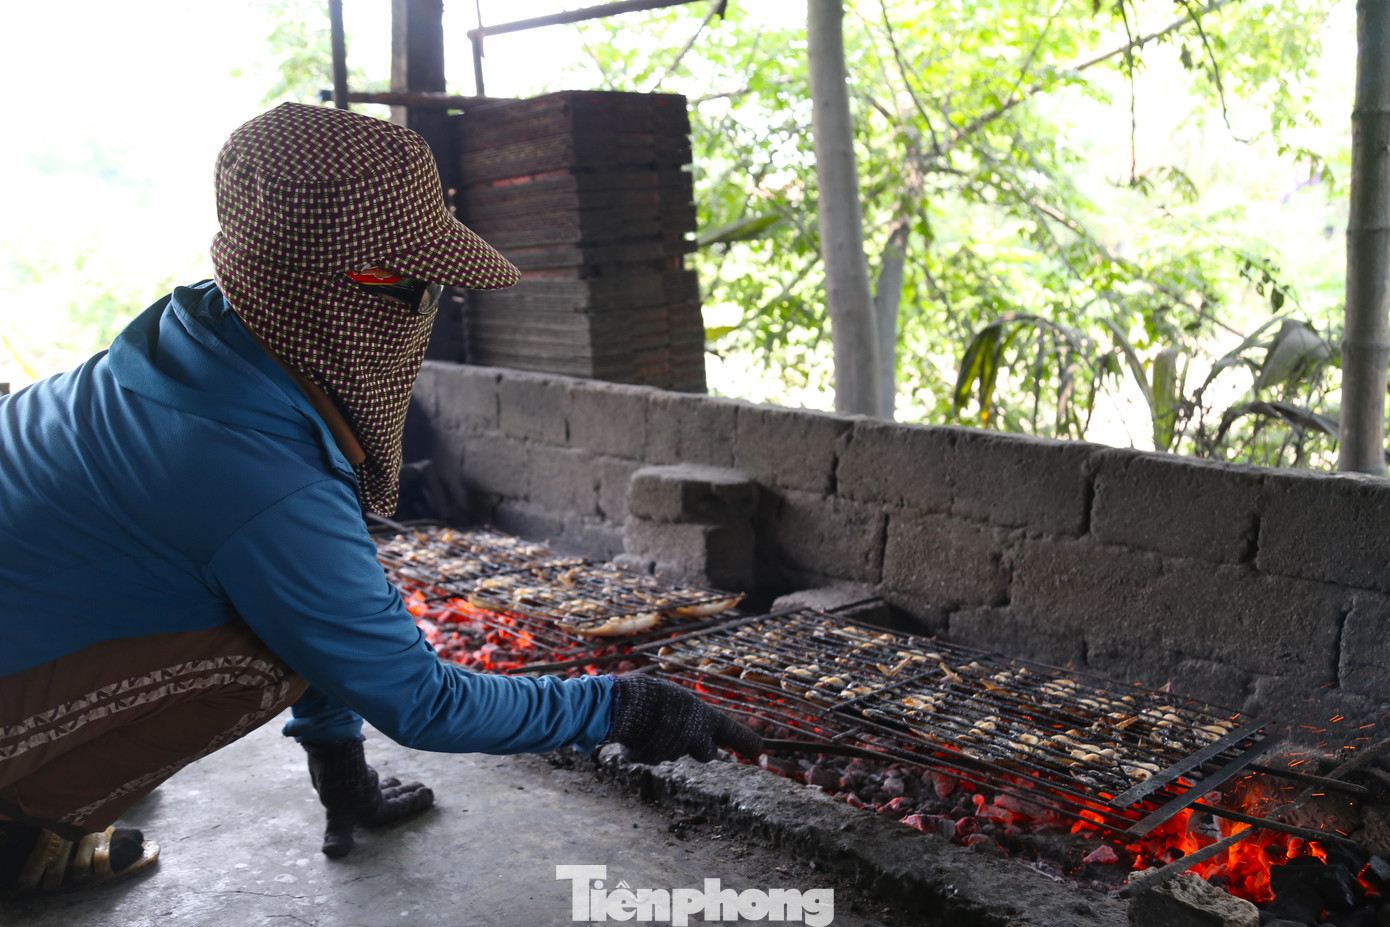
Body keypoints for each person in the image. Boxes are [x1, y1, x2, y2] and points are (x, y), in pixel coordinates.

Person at [0, 102, 760, 898]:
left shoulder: (213, 328)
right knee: (263, 657)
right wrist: (621, 703)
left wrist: (339, 758)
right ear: (308, 282)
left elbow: (307, 581)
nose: (426, 303)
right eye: (401, 282)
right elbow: (422, 700)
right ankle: (14, 836)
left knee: (287, 615)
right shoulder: (251, 472)